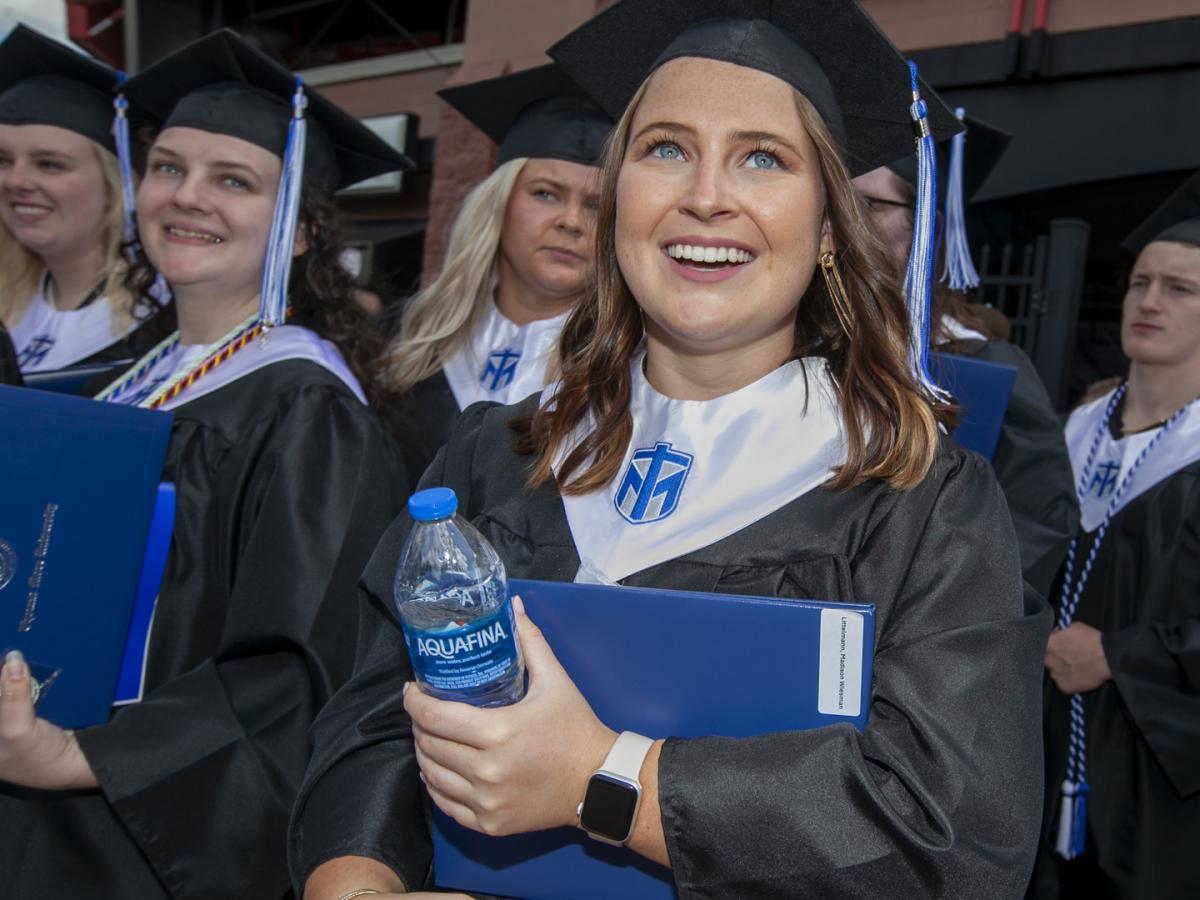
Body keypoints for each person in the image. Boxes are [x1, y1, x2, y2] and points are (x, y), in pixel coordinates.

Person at [289, 3, 1050, 898]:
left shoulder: (922, 502)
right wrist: (355, 881)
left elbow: (954, 839)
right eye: (665, 149)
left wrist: (607, 781)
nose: (706, 196)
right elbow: (377, 713)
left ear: (833, 230)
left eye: (763, 158)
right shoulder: (496, 453)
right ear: (620, 200)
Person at [0, 29, 412, 899]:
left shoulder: (308, 411)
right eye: (168, 168)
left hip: (139, 841)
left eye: (234, 180)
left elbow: (301, 677)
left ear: (299, 231)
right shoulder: (130, 382)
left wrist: (82, 754)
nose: (187, 197)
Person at [1027, 170, 1200, 900]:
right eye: (1139, 283)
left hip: (1158, 793)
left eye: (1180, 289)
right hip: (1037, 757)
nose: (1149, 301)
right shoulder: (1068, 434)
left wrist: (1118, 655)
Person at [853, 115, 1079, 599]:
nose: (844, 221)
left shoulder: (983, 367)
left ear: (926, 226)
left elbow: (1037, 521)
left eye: (868, 204)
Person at [381, 63, 610, 481]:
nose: (572, 221)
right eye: (546, 193)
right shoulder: (406, 339)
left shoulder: (625, 365)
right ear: (498, 205)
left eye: (595, 205)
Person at [0, 24, 162, 377]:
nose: (16, 181)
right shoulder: (7, 310)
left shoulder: (166, 325)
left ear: (114, 184)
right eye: (2, 161)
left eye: (49, 164)